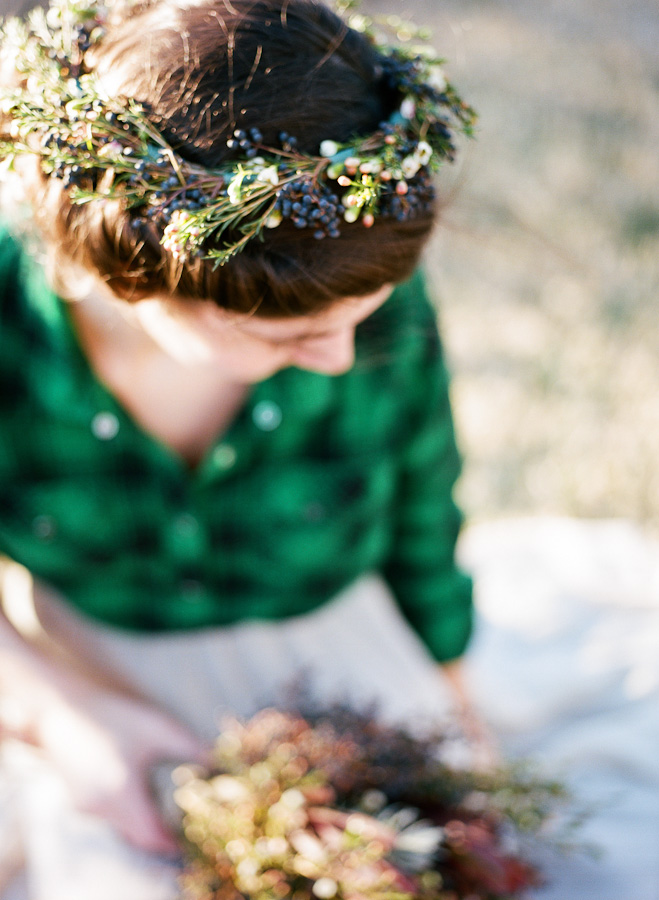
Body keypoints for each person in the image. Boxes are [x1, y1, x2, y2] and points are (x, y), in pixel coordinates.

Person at [0, 0, 485, 881]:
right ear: (127, 273)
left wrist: (452, 693)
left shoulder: (349, 281)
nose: (338, 361)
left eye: (355, 325)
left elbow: (423, 500)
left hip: (328, 636)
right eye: (286, 340)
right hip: (93, 663)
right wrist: (62, 715)